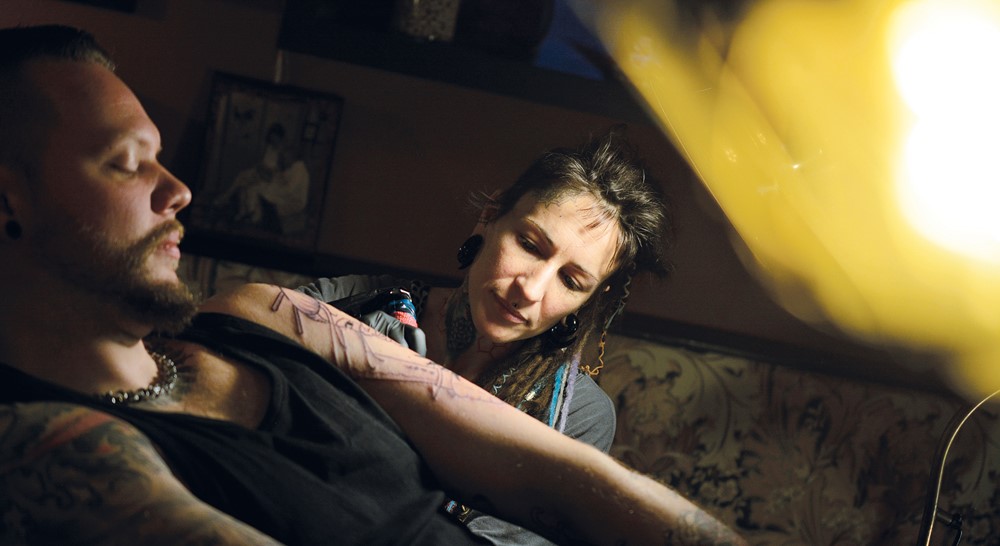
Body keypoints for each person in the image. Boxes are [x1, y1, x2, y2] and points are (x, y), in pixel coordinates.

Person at [0, 24, 747, 546]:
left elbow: (562, 478)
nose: (180, 191)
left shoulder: (265, 311)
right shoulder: (44, 443)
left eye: (572, 278)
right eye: (126, 162)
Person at [298, 128, 668, 543]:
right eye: (529, 245)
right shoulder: (352, 302)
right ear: (490, 216)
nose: (531, 290)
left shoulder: (577, 417)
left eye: (570, 280)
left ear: (588, 299)